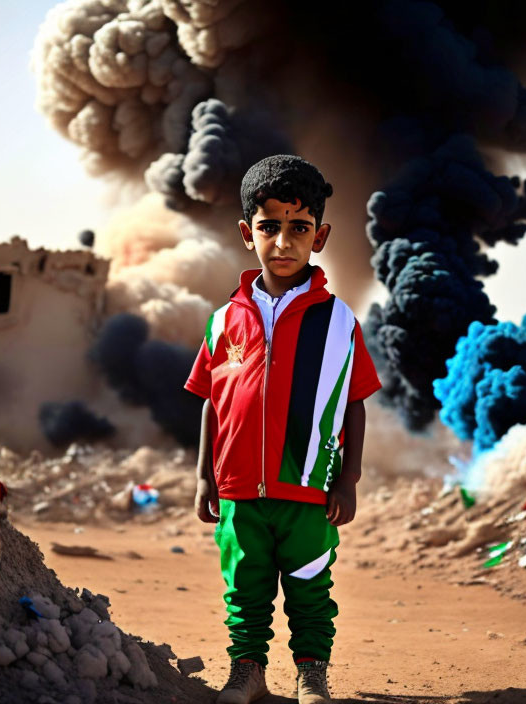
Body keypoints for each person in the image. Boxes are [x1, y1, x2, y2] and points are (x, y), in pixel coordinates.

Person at [185, 155, 381, 704]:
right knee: (243, 590)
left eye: (299, 228)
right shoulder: (224, 320)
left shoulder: (340, 320)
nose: (284, 241)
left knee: (310, 587)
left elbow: (356, 404)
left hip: (309, 488)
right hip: (240, 490)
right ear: (249, 233)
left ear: (319, 236)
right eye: (270, 226)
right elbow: (210, 401)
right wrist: (205, 477)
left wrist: (348, 480)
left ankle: (311, 673)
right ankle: (246, 672)